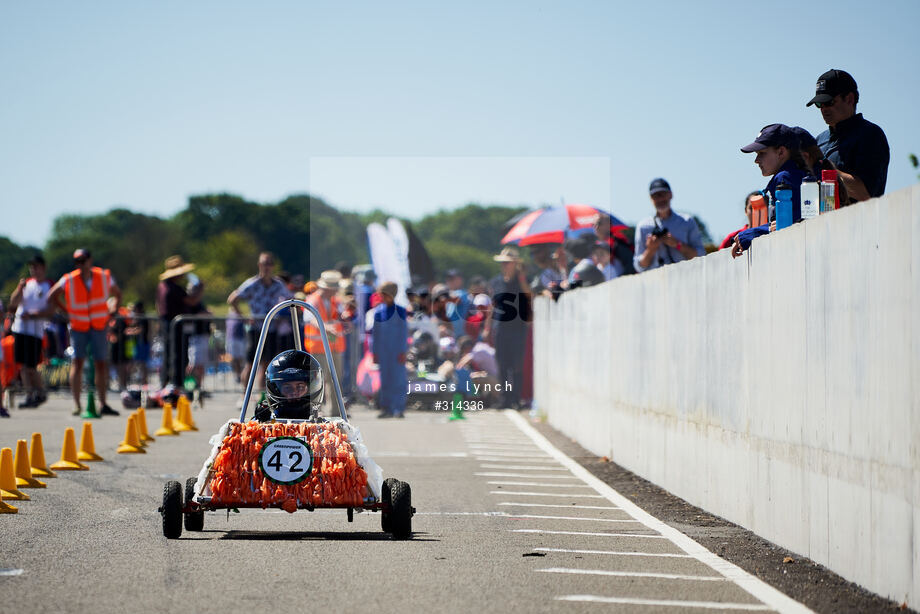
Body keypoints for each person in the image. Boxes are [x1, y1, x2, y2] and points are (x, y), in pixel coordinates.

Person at [46, 249, 122, 416]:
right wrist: (66, 310)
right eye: (77, 261)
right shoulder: (69, 279)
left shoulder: (103, 276)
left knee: (101, 363)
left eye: (83, 260)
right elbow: (51, 296)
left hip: (99, 326)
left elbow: (117, 293)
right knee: (77, 363)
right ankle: (77, 405)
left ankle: (103, 403)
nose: (80, 264)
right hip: (78, 326)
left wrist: (113, 310)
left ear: (90, 260)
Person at [807, 69, 889, 204]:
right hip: (823, 222)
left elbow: (866, 193)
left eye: (828, 102)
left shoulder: (870, 135)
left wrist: (825, 170)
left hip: (859, 222)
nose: (823, 109)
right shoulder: (819, 140)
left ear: (849, 99)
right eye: (819, 104)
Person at [732, 124, 808, 256]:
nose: (756, 160)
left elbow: (793, 222)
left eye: (762, 153)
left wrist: (752, 234)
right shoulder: (792, 175)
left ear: (781, 152)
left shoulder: (785, 178)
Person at [227, 251, 292, 391]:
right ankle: (244, 395)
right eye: (264, 264)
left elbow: (289, 299)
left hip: (272, 328)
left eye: (269, 264)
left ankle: (262, 395)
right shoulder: (252, 283)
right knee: (251, 363)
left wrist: (283, 317)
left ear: (273, 266)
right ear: (259, 265)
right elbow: (232, 299)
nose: (267, 267)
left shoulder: (278, 284)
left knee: (268, 364)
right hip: (256, 328)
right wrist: (243, 318)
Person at [484, 247, 531, 408]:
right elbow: (492, 304)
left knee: (517, 365)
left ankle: (516, 399)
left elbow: (528, 295)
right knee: (502, 365)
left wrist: (521, 277)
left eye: (508, 263)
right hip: (501, 327)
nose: (505, 266)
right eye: (503, 263)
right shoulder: (496, 282)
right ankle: (504, 399)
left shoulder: (522, 280)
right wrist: (487, 327)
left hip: (518, 327)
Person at [633, 178, 705, 273]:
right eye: (655, 196)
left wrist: (677, 244)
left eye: (662, 194)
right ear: (651, 199)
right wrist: (651, 250)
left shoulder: (686, 221)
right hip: (655, 281)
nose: (659, 199)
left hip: (683, 276)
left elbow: (701, 256)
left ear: (670, 195)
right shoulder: (643, 226)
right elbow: (639, 266)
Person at [9, 254, 51, 408]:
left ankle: (39, 391)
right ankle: (30, 394)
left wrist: (34, 315)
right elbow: (13, 303)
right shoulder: (27, 284)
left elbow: (50, 310)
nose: (33, 270)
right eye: (31, 267)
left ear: (43, 268)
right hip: (21, 329)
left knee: (31, 366)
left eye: (36, 267)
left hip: (35, 330)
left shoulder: (48, 286)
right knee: (24, 366)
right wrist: (19, 288)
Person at [156, 255, 202, 389]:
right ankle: (176, 384)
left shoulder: (162, 286)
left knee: (170, 355)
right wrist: (200, 289)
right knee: (178, 355)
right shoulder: (174, 288)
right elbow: (192, 301)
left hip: (167, 324)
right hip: (175, 326)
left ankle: (167, 382)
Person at [303, 270, 345, 414]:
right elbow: (310, 319)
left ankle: (336, 412)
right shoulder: (312, 300)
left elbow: (341, 317)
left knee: (335, 379)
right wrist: (325, 327)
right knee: (317, 381)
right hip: (318, 348)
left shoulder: (336, 300)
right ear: (328, 288)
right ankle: (315, 412)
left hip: (335, 347)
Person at [370, 281, 408, 418]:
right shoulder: (379, 312)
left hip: (397, 351)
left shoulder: (401, 311)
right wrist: (374, 352)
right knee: (385, 379)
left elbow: (403, 333)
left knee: (398, 379)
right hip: (383, 351)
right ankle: (386, 408)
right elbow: (375, 334)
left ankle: (398, 407)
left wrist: (403, 351)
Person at [253, 350, 324, 421]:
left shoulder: (321, 426)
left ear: (309, 389)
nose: (294, 392)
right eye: (288, 388)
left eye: (300, 387)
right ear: (277, 390)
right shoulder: (269, 423)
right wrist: (262, 421)